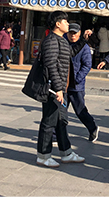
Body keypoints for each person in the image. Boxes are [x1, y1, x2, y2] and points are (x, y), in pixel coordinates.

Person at [36, 10, 85, 168]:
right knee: (49, 121)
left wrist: (84, 40)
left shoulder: (61, 40)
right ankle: (43, 156)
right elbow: (50, 66)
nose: (68, 24)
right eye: (65, 21)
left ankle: (66, 153)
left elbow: (71, 52)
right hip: (52, 88)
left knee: (61, 121)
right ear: (57, 24)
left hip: (60, 87)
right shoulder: (51, 40)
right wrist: (58, 89)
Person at [66, 22, 99, 143]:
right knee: (60, 111)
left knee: (80, 111)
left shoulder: (84, 47)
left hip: (76, 86)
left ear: (79, 33)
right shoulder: (63, 43)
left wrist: (77, 79)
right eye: (70, 33)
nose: (72, 36)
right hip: (64, 85)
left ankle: (92, 128)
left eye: (75, 33)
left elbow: (87, 65)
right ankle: (55, 134)